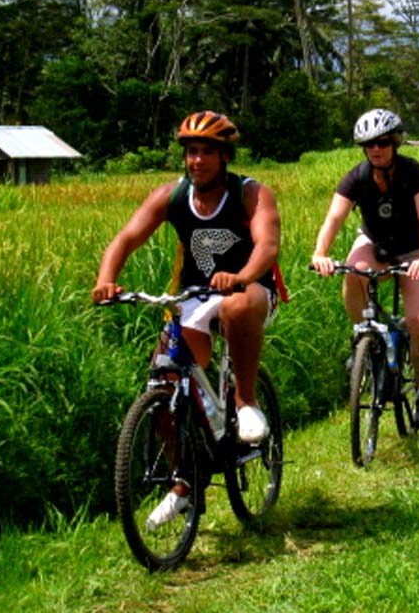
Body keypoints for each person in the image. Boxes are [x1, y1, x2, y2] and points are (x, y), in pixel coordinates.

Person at [92, 110, 281, 530]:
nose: (197, 161)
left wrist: (243, 276)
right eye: (192, 152)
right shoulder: (172, 195)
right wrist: (107, 279)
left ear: (225, 157)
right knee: (164, 383)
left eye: (208, 153)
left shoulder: (250, 193)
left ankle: (245, 400)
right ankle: (185, 480)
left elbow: (267, 245)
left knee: (236, 305)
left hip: (250, 291)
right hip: (193, 296)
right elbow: (126, 238)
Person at [310, 109, 419, 430]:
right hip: (375, 243)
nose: (376, 149)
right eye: (369, 144)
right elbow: (334, 219)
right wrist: (320, 253)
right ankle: (362, 339)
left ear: (394, 142)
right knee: (354, 271)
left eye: (382, 142)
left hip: (413, 250)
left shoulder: (414, 172)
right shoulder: (356, 177)